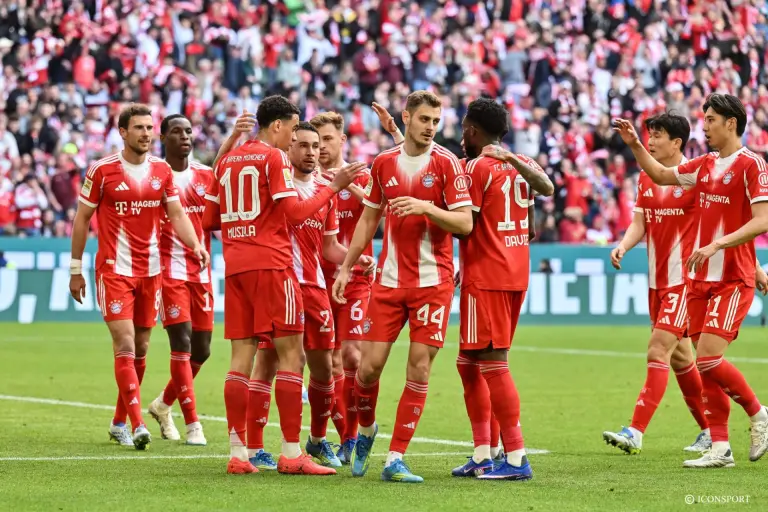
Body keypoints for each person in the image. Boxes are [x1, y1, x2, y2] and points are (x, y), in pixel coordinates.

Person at [201, 95, 366, 475]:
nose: (294, 139)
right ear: (277, 125)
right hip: (274, 267)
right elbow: (294, 212)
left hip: (235, 268)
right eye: (293, 130)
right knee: (293, 358)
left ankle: (238, 454)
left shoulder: (226, 161)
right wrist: (334, 186)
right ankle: (292, 453)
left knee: (240, 362)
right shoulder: (274, 158)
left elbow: (210, 219)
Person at [614, 93, 768, 468]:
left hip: (730, 276)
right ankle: (719, 448)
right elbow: (659, 175)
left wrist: (720, 245)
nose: (705, 126)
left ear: (731, 123)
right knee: (701, 364)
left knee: (709, 360)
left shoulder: (752, 165)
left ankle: (759, 413)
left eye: (711, 119)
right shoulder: (704, 165)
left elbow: (763, 220)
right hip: (698, 280)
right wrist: (634, 144)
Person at [332, 90, 474, 483]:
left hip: (433, 283)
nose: (431, 127)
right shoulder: (384, 163)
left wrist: (426, 207)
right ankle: (366, 430)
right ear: (406, 118)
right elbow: (368, 219)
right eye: (424, 119)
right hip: (389, 282)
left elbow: (465, 223)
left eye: (436, 121)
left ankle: (395, 457)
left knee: (420, 368)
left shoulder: (447, 164)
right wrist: (346, 268)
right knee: (367, 369)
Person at [69, 104, 209, 451]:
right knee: (126, 345)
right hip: (114, 270)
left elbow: (177, 213)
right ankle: (137, 424)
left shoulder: (161, 170)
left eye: (149, 127)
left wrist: (195, 244)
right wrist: (75, 269)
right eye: (139, 128)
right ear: (123, 132)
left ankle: (118, 422)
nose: (146, 134)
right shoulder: (102, 171)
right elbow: (82, 219)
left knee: (142, 348)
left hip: (151, 272)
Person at [246, 122, 376, 471]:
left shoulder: (323, 190)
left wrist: (354, 259)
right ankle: (255, 447)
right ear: (288, 148)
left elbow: (329, 247)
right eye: (302, 145)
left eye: (315, 146)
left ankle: (317, 440)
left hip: (314, 288)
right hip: (278, 284)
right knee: (268, 361)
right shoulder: (277, 186)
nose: (310, 152)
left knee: (324, 368)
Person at [450, 98, 554, 480]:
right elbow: (531, 224)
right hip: (513, 272)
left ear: (473, 130)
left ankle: (516, 457)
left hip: (487, 277)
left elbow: (465, 225)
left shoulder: (476, 169)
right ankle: (483, 453)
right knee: (468, 362)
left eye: (464, 129)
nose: (462, 136)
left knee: (493, 364)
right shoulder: (522, 163)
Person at [603, 113, 713, 455]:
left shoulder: (694, 178)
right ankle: (710, 430)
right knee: (680, 359)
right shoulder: (646, 177)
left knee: (657, 349)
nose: (651, 141)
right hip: (656, 283)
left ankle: (636, 431)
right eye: (649, 136)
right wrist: (623, 245)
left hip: (684, 282)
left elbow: (721, 220)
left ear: (676, 142)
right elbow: (640, 222)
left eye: (658, 136)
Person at [310, 105, 404, 463]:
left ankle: (350, 438)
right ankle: (345, 435)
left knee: (352, 356)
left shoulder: (362, 177)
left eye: (328, 139)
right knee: (328, 364)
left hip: (357, 280)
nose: (321, 147)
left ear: (342, 140)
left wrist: (346, 182)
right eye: (317, 141)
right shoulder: (307, 179)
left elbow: (385, 204)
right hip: (317, 279)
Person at [143, 114, 223, 446]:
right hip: (168, 271)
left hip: (201, 272)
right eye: (177, 132)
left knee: (202, 351)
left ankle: (163, 405)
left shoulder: (205, 176)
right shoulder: (153, 176)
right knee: (182, 343)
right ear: (163, 138)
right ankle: (193, 425)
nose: (185, 137)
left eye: (188, 131)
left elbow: (218, 219)